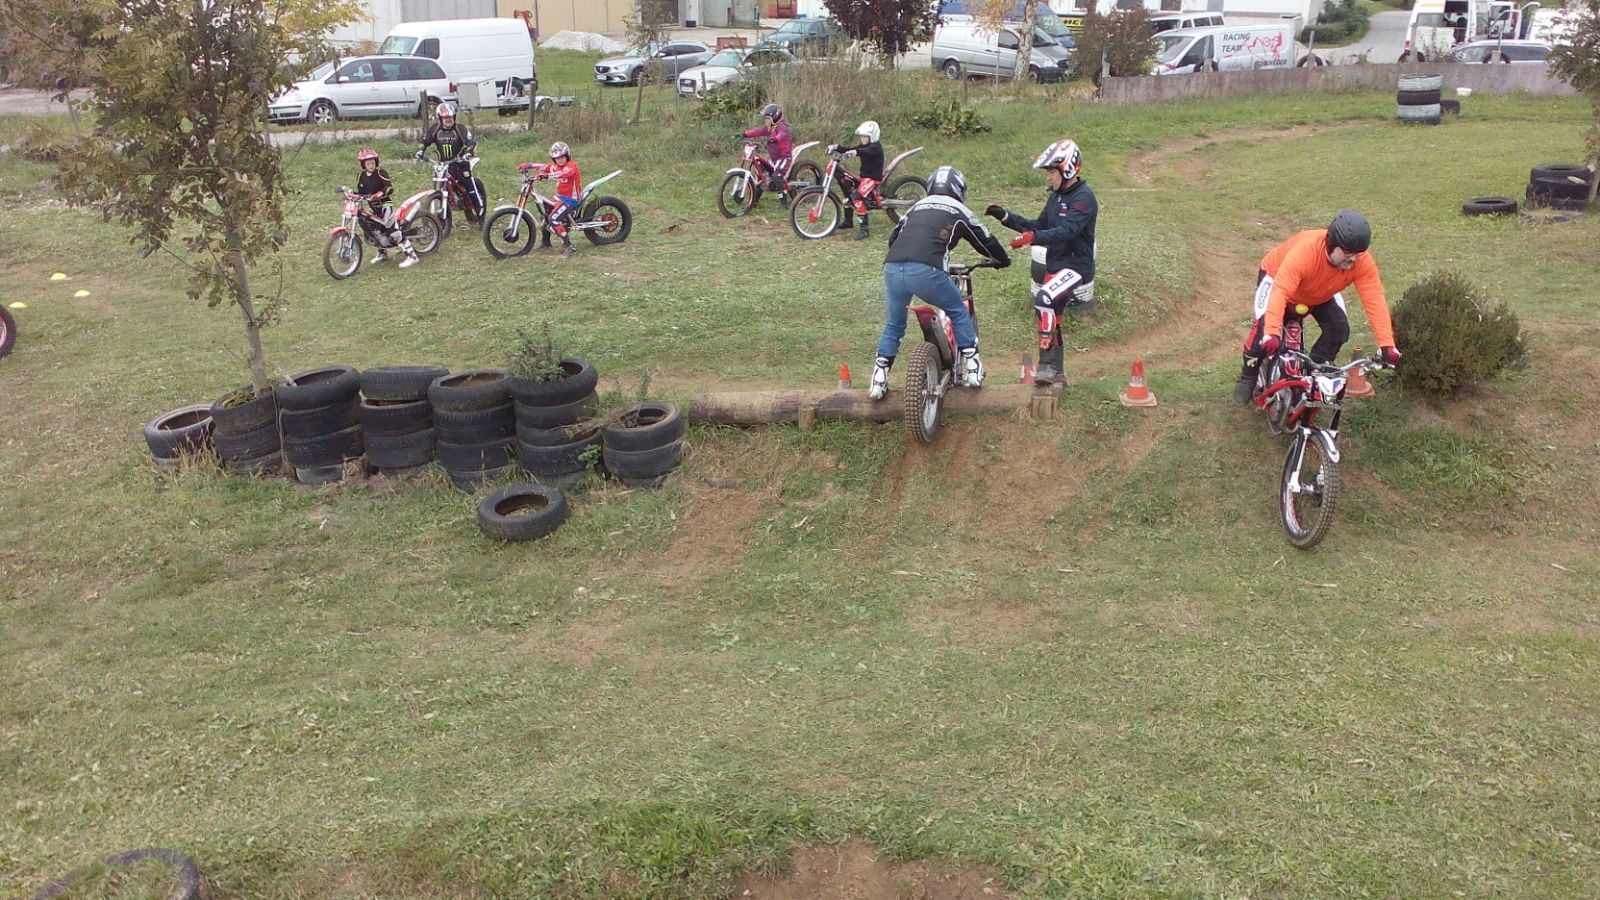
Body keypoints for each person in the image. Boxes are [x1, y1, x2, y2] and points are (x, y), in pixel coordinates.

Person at [868, 166, 1011, 401]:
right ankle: (973, 369)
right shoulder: (959, 209)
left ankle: (878, 379)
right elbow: (985, 240)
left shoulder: (915, 207)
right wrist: (1002, 260)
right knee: (957, 310)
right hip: (927, 270)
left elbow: (894, 237)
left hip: (893, 267)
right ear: (958, 189)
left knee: (894, 325)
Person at [1232, 209, 1402, 405]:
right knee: (1263, 334)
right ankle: (1248, 376)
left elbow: (1374, 299)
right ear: (1332, 244)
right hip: (1277, 279)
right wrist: (1271, 332)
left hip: (1320, 290)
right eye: (1348, 253)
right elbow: (1280, 291)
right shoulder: (1305, 253)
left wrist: (1387, 344)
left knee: (1339, 330)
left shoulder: (1361, 261)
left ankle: (1312, 373)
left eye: (1357, 254)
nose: (1353, 259)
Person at [985, 139, 1097, 385]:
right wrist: (1006, 217)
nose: (1048, 177)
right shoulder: (1056, 198)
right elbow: (1038, 226)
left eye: (1051, 171)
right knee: (1053, 318)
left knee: (1044, 298)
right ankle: (1059, 374)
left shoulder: (1084, 199)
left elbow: (1067, 231)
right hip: (1056, 266)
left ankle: (1045, 364)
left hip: (1076, 266)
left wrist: (1033, 238)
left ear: (1067, 169)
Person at [414, 102, 482, 220]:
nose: (448, 120)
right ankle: (437, 216)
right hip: (443, 164)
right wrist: (420, 151)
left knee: (469, 185)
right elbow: (424, 141)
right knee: (438, 184)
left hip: (460, 162)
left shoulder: (460, 128)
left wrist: (468, 153)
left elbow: (470, 142)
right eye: (445, 117)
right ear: (440, 118)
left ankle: (480, 213)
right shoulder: (435, 129)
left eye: (450, 117)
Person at [354, 148, 419, 269]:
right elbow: (361, 191)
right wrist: (352, 195)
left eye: (373, 163)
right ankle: (382, 253)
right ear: (363, 164)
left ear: (376, 162)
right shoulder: (361, 176)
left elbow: (389, 187)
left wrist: (380, 193)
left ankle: (412, 256)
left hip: (385, 205)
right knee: (374, 229)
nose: (371, 165)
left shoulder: (381, 173)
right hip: (373, 207)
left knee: (392, 231)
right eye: (368, 163)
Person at [520, 140, 582, 257]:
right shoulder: (556, 166)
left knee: (553, 219)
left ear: (567, 156)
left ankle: (569, 245)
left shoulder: (571, 166)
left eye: (562, 157)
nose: (560, 160)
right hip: (560, 198)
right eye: (557, 158)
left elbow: (563, 173)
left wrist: (546, 176)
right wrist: (529, 165)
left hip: (571, 200)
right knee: (544, 214)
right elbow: (544, 167)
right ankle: (546, 243)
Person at [831, 120, 884, 241]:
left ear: (872, 136)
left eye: (865, 136)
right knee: (847, 194)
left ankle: (864, 229)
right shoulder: (864, 146)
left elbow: (864, 151)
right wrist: (837, 147)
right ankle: (848, 221)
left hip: (873, 179)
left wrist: (855, 152)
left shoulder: (875, 147)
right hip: (864, 177)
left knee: (857, 197)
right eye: (861, 136)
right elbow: (851, 149)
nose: (862, 139)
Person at [740, 102, 793, 203]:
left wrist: (775, 139)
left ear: (774, 118)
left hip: (783, 158)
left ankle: (784, 202)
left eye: (768, 119)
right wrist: (744, 134)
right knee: (761, 174)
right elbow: (758, 131)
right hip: (773, 159)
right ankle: (754, 201)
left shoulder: (782, 126)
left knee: (777, 176)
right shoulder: (769, 128)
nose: (766, 121)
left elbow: (782, 134)